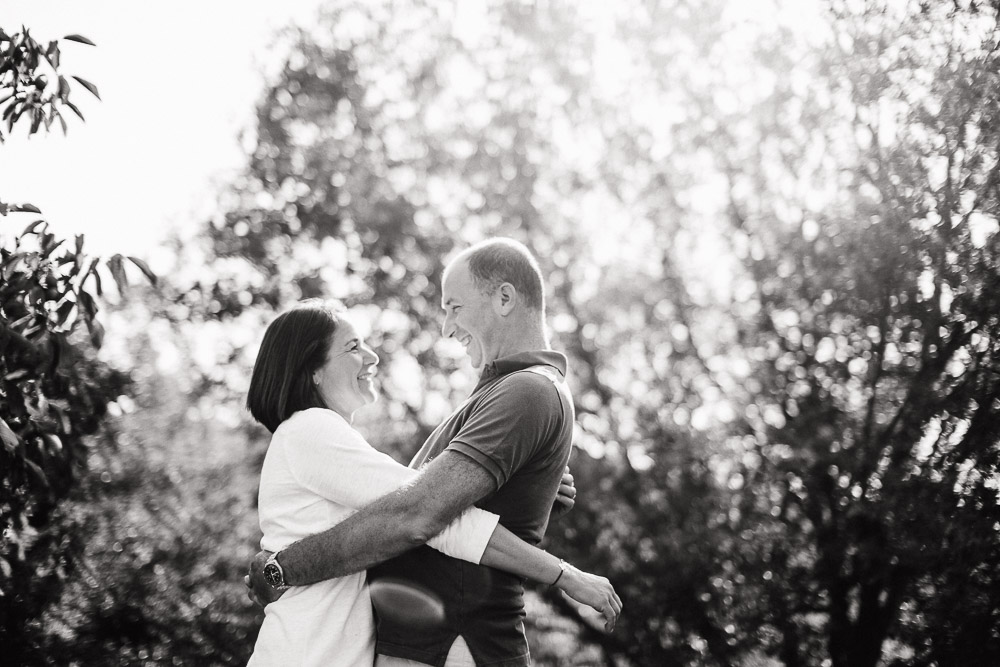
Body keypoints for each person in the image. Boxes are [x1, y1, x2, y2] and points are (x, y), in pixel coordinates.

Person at [248, 238, 619, 666]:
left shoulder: (526, 390)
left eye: (454, 307)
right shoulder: (313, 430)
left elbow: (419, 513)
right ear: (311, 371)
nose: (445, 327)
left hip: (450, 640)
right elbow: (417, 509)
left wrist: (281, 568)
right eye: (353, 347)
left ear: (504, 298)